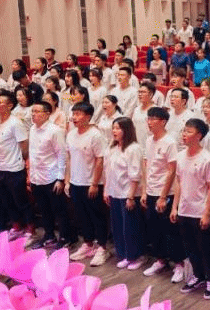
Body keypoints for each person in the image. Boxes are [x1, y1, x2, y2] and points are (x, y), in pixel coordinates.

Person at [170, 118, 210, 299]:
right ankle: (198, 276)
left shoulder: (208, 159)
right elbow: (179, 183)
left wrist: (206, 214)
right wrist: (174, 207)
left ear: (199, 136)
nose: (184, 134)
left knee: (206, 248)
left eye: (189, 131)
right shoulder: (180, 156)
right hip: (184, 210)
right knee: (190, 247)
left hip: (201, 211)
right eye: (184, 131)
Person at [140, 106, 185, 281]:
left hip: (165, 193)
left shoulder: (170, 142)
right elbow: (146, 165)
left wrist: (163, 196)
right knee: (154, 228)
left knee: (170, 230)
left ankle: (179, 264)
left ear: (163, 122)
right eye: (148, 118)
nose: (149, 122)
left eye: (153, 119)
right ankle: (160, 260)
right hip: (151, 191)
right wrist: (144, 191)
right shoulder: (148, 140)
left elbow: (172, 171)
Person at [66, 102, 110, 267]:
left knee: (97, 216)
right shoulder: (71, 134)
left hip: (92, 183)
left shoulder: (95, 135)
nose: (74, 117)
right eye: (74, 114)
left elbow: (100, 160)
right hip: (75, 182)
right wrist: (68, 180)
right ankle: (88, 244)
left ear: (88, 117)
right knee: (81, 216)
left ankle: (102, 248)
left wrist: (94, 183)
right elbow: (69, 158)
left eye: (78, 114)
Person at [0, 90, 34, 239]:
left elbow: (24, 147)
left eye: (0, 103)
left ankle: (30, 229)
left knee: (21, 201)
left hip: (14, 169)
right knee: (6, 201)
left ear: (10, 105)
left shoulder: (15, 123)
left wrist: (20, 161)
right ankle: (16, 227)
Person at [27, 99, 70, 249]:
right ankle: (49, 235)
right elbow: (33, 153)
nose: (33, 114)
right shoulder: (32, 129)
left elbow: (62, 155)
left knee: (59, 210)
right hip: (37, 177)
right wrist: (30, 174)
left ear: (47, 114)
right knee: (44, 209)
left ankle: (65, 237)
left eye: (37, 111)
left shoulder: (55, 130)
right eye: (32, 111)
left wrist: (60, 178)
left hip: (52, 177)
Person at [103, 116, 144, 270]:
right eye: (113, 128)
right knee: (118, 226)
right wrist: (106, 190)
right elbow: (108, 171)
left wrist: (131, 196)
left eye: (118, 128)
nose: (114, 131)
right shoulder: (112, 147)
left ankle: (135, 256)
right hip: (114, 192)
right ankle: (124, 254)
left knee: (130, 228)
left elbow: (135, 175)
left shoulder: (133, 148)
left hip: (128, 194)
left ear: (126, 130)